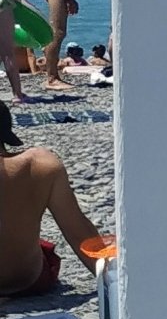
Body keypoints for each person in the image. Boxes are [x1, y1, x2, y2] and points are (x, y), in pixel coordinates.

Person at [0, 103, 107, 296]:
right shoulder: (39, 164)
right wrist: (111, 283)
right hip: (25, 279)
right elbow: (77, 231)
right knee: (41, 247)